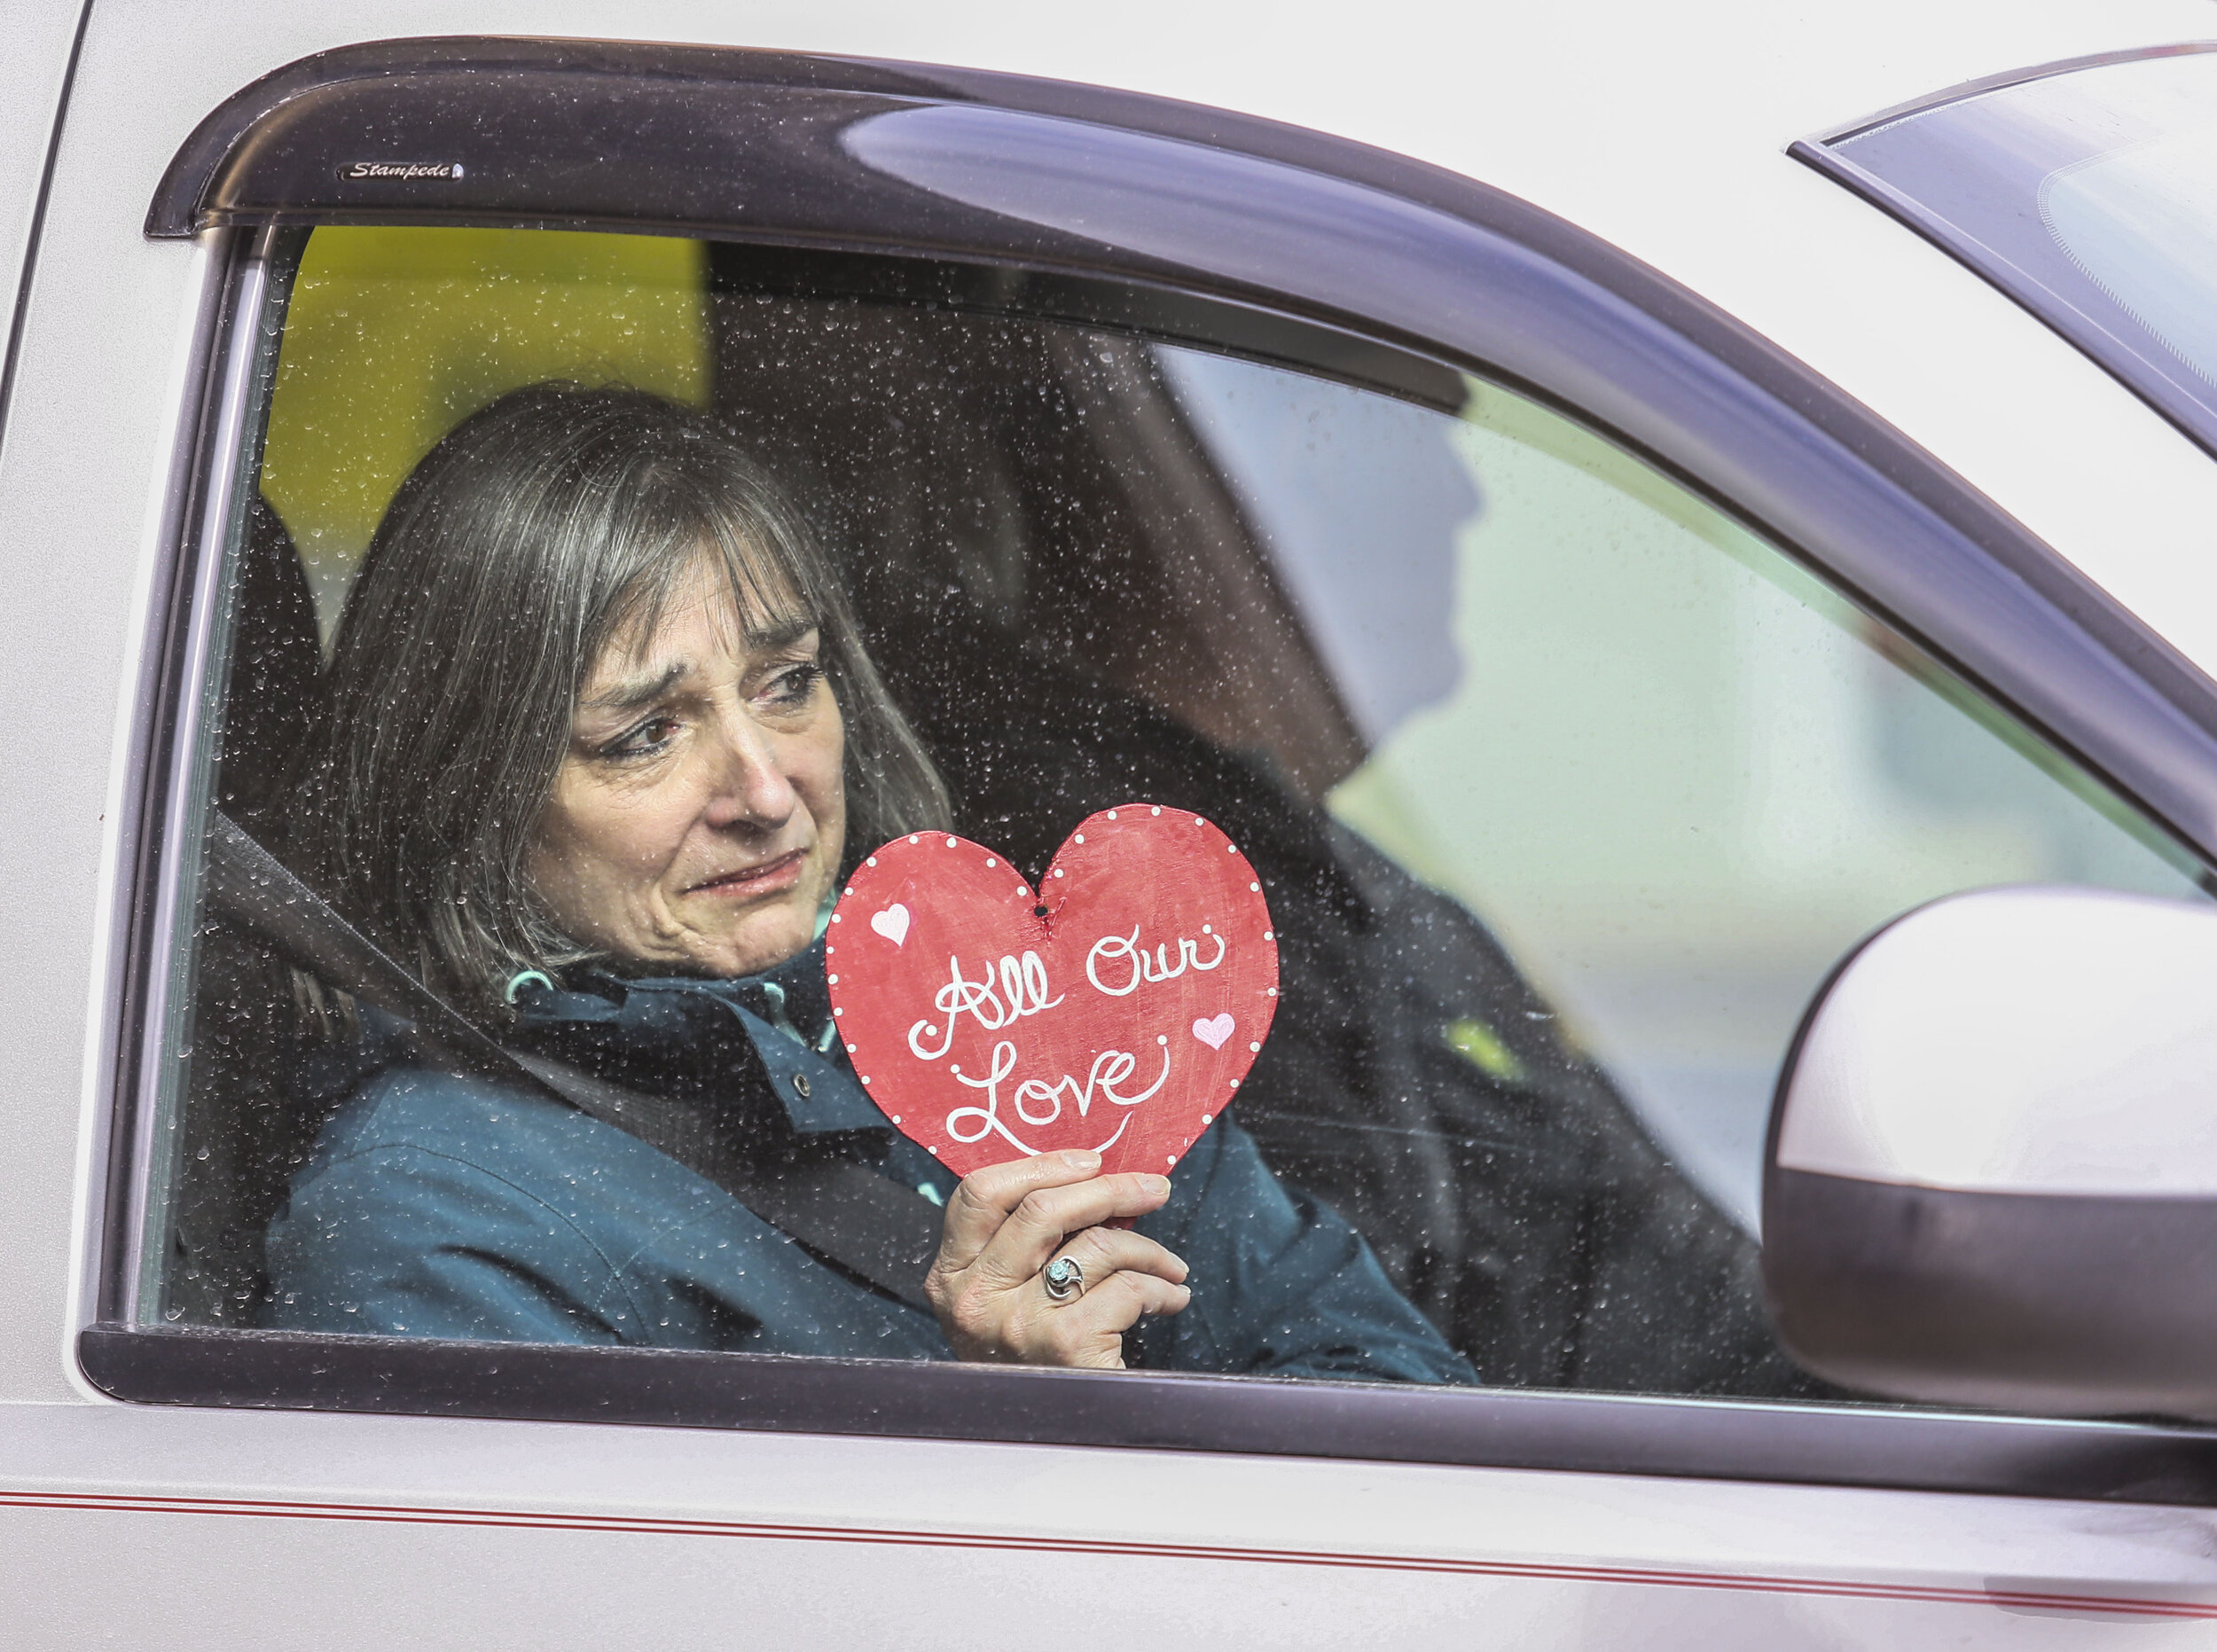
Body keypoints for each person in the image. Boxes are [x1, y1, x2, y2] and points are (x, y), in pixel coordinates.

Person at [262, 381, 1473, 1382]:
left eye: (787, 683)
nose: (766, 789)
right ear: (472, 793)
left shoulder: (1018, 1022)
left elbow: (1408, 1436)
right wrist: (1005, 1440)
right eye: (644, 736)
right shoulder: (429, 1223)